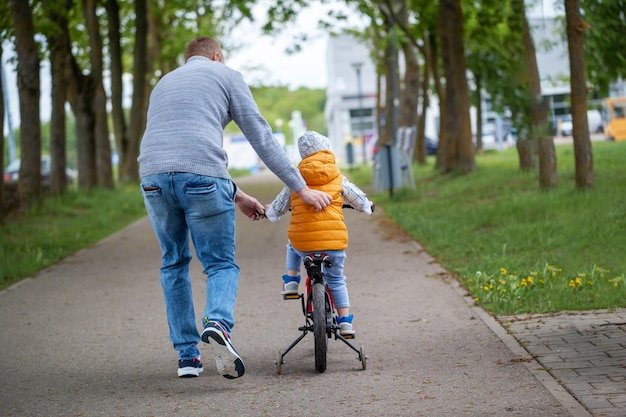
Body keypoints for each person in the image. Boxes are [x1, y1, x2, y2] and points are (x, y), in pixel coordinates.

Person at [137, 37, 332, 379]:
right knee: (220, 263)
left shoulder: (163, 84)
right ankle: (217, 325)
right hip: (202, 177)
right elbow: (260, 136)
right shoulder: (226, 76)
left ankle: (187, 358)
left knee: (173, 262)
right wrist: (300, 187)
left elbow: (179, 150)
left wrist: (238, 196)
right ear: (216, 56)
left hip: (152, 176)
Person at [265, 131, 373, 337]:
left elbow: (279, 205)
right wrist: (367, 206)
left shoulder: (295, 180)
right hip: (334, 244)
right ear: (327, 150)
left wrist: (270, 212)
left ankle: (291, 281)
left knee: (292, 243)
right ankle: (345, 322)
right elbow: (357, 197)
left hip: (304, 243)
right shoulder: (337, 177)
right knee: (337, 280)